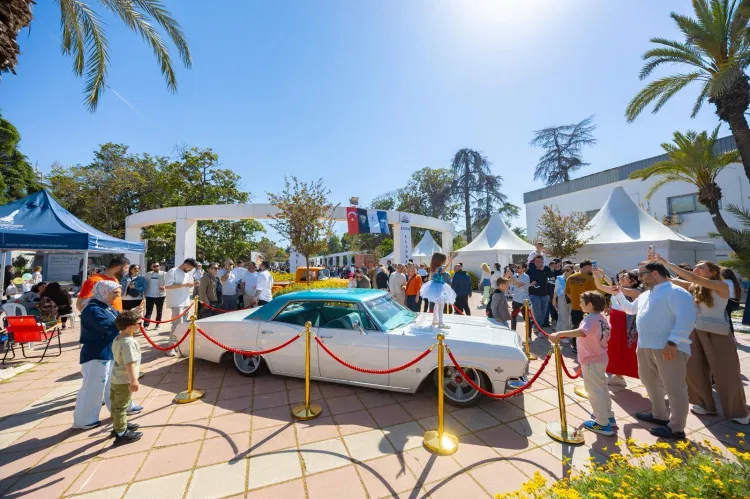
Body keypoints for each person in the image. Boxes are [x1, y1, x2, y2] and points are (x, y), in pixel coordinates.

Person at [655, 256, 750, 425]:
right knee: (695, 369)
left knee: (726, 372)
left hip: (718, 333)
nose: (696, 269)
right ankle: (705, 404)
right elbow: (672, 280)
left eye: (701, 267)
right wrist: (657, 270)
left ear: (712, 272)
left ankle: (738, 412)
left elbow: (694, 279)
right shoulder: (695, 286)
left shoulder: (721, 285)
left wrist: (667, 264)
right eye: (695, 267)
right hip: (696, 332)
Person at [611, 260, 697, 440]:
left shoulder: (676, 292)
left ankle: (676, 428)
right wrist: (618, 294)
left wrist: (673, 342)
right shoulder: (645, 295)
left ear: (655, 273)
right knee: (649, 381)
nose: (639, 278)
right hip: (645, 346)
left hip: (668, 347)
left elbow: (687, 319)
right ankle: (659, 415)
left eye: (642, 274)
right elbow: (630, 310)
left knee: (674, 388)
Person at [73, 281, 138, 430]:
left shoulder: (105, 306)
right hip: (96, 354)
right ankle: (84, 419)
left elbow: (118, 320)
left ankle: (117, 412)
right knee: (93, 387)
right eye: (114, 292)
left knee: (111, 385)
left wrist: (132, 315)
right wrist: (129, 321)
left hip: (108, 352)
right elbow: (109, 326)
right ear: (103, 291)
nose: (117, 296)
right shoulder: (92, 309)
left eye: (118, 293)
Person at [549, 291, 615, 436]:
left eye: (582, 302)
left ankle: (602, 423)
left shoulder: (590, 319)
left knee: (594, 391)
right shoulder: (602, 318)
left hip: (592, 360)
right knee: (602, 388)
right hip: (601, 357)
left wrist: (560, 333)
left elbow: (582, 332)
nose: (579, 304)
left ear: (590, 305)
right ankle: (608, 415)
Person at [593, 268, 641, 385]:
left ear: (633, 281)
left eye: (625, 276)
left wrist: (604, 276)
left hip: (625, 322)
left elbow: (617, 288)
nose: (622, 277)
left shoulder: (636, 291)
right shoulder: (619, 288)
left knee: (624, 348)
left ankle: (626, 375)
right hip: (615, 319)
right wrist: (596, 275)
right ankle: (618, 375)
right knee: (615, 347)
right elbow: (600, 287)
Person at [110, 309, 144, 446]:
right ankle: (121, 433)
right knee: (121, 406)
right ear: (130, 327)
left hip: (116, 378)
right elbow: (129, 363)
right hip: (124, 380)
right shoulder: (128, 342)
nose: (140, 325)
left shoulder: (118, 338)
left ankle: (119, 425)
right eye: (139, 323)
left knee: (116, 404)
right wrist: (133, 380)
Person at [164, 258, 199, 357]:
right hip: (176, 303)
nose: (190, 270)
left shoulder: (186, 274)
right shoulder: (172, 271)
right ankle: (171, 348)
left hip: (185, 302)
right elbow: (168, 286)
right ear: (186, 264)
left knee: (182, 326)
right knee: (176, 326)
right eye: (190, 268)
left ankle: (179, 347)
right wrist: (185, 284)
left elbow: (183, 286)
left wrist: (192, 284)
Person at [564, 260, 597, 353]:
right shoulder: (590, 278)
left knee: (576, 326)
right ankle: (583, 346)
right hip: (587, 308)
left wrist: (575, 300)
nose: (591, 269)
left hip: (575, 307)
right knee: (586, 327)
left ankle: (575, 346)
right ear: (585, 267)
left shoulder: (570, 277)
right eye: (590, 267)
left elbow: (567, 293)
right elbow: (594, 294)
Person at [419, 252, 456, 328]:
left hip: (434, 286)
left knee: (437, 304)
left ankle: (435, 320)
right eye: (444, 260)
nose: (445, 261)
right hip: (439, 286)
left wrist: (448, 262)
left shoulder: (434, 268)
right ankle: (440, 323)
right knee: (441, 305)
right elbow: (444, 270)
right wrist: (449, 262)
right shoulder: (440, 268)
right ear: (440, 260)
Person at [527, 255, 552, 334]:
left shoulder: (546, 268)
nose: (538, 263)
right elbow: (526, 280)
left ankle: (537, 326)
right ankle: (540, 329)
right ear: (534, 262)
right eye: (536, 261)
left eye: (540, 261)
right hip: (534, 294)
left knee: (543, 313)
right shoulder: (530, 270)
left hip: (545, 294)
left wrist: (544, 270)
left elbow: (551, 276)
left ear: (543, 262)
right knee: (537, 313)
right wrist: (531, 283)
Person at [508, 262, 532, 332]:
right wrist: (507, 273)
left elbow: (518, 285)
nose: (516, 269)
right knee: (513, 317)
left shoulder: (526, 277)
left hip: (523, 301)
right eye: (516, 267)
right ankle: (513, 332)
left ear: (523, 269)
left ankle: (529, 336)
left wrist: (512, 277)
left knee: (526, 318)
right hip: (515, 300)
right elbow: (507, 281)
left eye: (518, 267)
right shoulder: (515, 275)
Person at [144, 262, 167, 330]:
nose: (156, 267)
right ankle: (146, 325)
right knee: (148, 311)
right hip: (149, 295)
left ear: (159, 266)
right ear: (152, 267)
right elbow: (143, 281)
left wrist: (165, 287)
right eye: (154, 266)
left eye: (157, 266)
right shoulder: (148, 274)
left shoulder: (164, 274)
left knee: (159, 311)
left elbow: (170, 282)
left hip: (160, 296)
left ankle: (158, 324)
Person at [552, 265, 573, 334]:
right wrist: (554, 299)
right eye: (564, 270)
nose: (565, 272)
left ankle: (570, 333)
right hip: (562, 298)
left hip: (572, 298)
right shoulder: (559, 278)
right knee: (563, 316)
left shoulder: (574, 278)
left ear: (572, 270)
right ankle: (562, 334)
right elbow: (556, 290)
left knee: (571, 316)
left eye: (567, 270)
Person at [721, 267, 742, 332]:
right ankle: (731, 333)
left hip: (728, 301)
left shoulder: (724, 282)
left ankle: (730, 332)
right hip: (735, 302)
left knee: (726, 318)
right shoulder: (734, 282)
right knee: (728, 317)